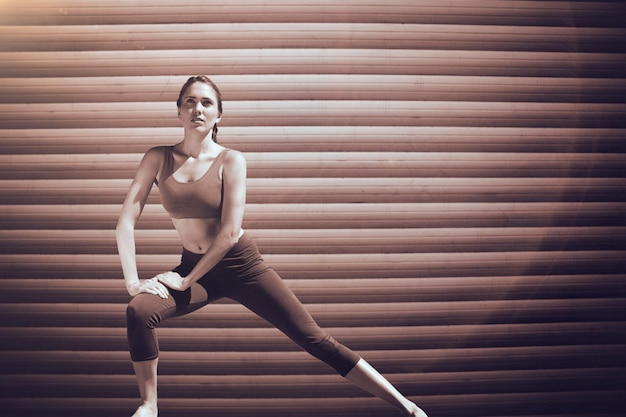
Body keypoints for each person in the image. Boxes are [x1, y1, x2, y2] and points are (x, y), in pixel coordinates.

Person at [116, 75, 428, 417]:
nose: (197, 108)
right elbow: (126, 221)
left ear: (219, 114)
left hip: (240, 266)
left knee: (314, 338)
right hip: (193, 267)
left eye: (206, 103)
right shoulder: (157, 158)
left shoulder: (231, 161)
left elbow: (230, 233)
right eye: (189, 101)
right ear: (178, 111)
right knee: (140, 312)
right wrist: (133, 282)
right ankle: (149, 405)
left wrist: (185, 281)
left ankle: (409, 407)